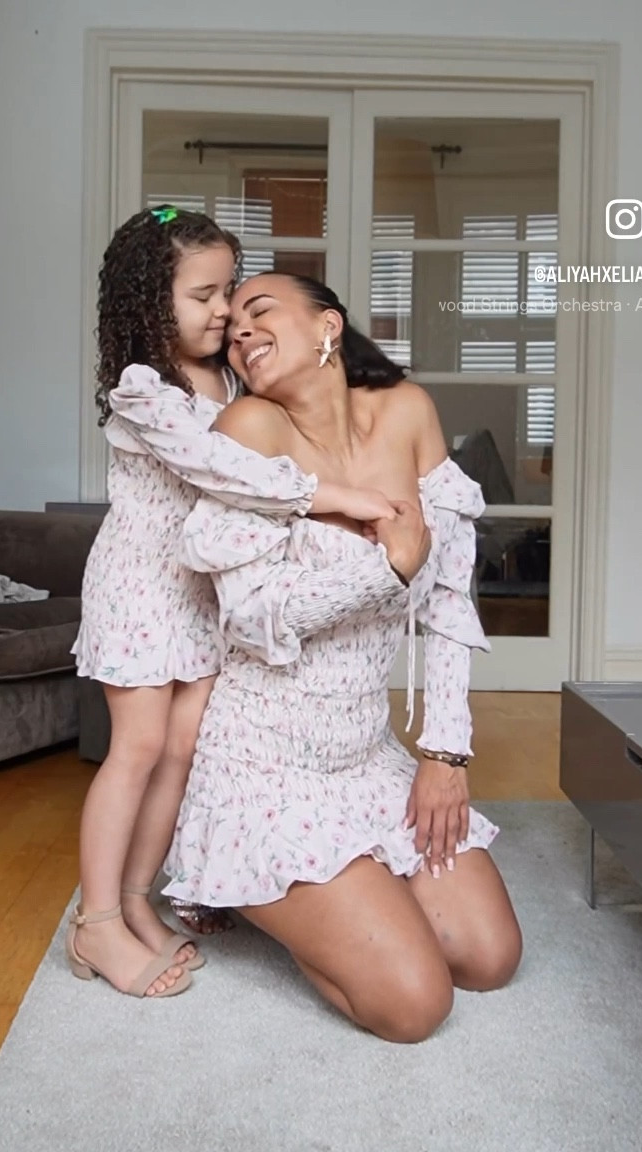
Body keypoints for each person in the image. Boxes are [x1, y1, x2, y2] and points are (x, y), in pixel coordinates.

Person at [163, 272, 523, 1039]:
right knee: (414, 1005)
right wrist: (383, 570)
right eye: (233, 330)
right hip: (265, 766)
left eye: (261, 312)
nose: (242, 333)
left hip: (365, 753)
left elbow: (450, 599)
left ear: (329, 324)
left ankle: (348, 887)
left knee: (488, 958)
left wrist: (443, 756)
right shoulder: (249, 431)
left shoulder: (406, 411)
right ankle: (249, 882)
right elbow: (252, 618)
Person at [68, 210, 396, 1000]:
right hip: (142, 591)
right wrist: (334, 495)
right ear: (150, 302)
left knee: (183, 753)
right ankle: (96, 923)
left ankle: (140, 897)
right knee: (138, 749)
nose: (224, 311)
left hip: (204, 596)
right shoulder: (143, 389)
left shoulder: (232, 379)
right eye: (204, 295)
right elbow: (224, 472)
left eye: (229, 290)